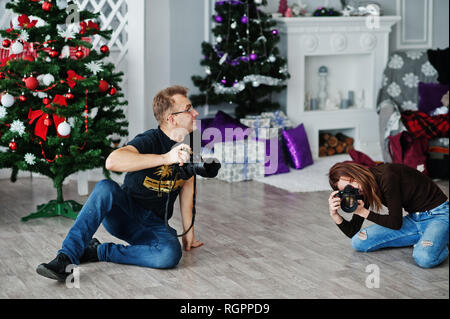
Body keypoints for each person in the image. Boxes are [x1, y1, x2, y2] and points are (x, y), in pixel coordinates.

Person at [37, 85, 203, 282]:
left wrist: (189, 235)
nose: (195, 113)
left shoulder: (189, 150)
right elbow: (112, 162)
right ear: (171, 118)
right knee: (105, 187)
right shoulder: (149, 140)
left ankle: (99, 252)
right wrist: (166, 158)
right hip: (125, 214)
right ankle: (66, 258)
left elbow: (187, 191)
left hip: (154, 225)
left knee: (169, 255)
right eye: (188, 108)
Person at [328, 162, 449, 268]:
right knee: (358, 242)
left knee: (423, 258)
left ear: (355, 171)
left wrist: (363, 212)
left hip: (439, 215)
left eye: (352, 179)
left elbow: (395, 223)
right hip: (414, 220)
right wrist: (335, 215)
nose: (354, 186)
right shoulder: (362, 190)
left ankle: (440, 239)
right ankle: (428, 238)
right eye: (348, 187)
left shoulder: (387, 176)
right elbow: (352, 231)